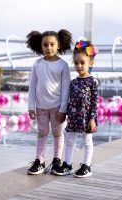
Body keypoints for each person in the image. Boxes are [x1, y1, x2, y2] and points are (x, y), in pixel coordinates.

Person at [26, 29, 73, 175]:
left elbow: (66, 89)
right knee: (42, 133)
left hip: (57, 108)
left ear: (58, 45)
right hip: (41, 108)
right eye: (45, 45)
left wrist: (63, 110)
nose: (49, 47)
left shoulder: (63, 65)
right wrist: (30, 106)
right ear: (40, 46)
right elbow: (32, 86)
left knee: (58, 134)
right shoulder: (37, 64)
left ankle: (57, 160)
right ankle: (39, 160)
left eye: (52, 44)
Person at [52, 40, 99, 178]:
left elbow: (95, 102)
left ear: (90, 63)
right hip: (73, 117)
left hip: (87, 118)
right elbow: (67, 99)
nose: (79, 66)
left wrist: (92, 119)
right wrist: (63, 112)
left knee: (87, 142)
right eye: (76, 63)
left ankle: (86, 166)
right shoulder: (73, 82)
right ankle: (67, 164)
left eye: (82, 63)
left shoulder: (92, 82)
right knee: (70, 140)